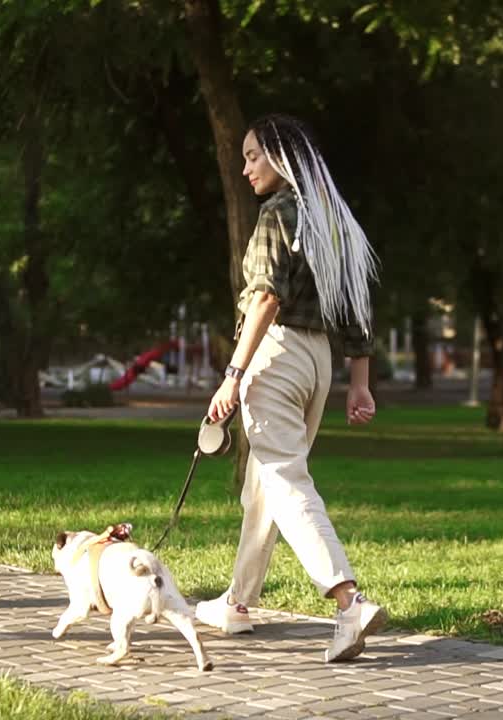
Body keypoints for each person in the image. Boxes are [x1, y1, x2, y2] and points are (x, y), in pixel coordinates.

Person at [198, 113, 386, 662]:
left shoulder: (278, 213)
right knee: (264, 484)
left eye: (253, 155)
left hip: (275, 354)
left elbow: (265, 298)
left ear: (281, 158)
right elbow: (357, 310)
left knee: (283, 478)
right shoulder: (335, 221)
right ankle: (237, 603)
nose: (245, 166)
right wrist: (359, 385)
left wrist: (233, 374)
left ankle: (348, 599)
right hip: (318, 361)